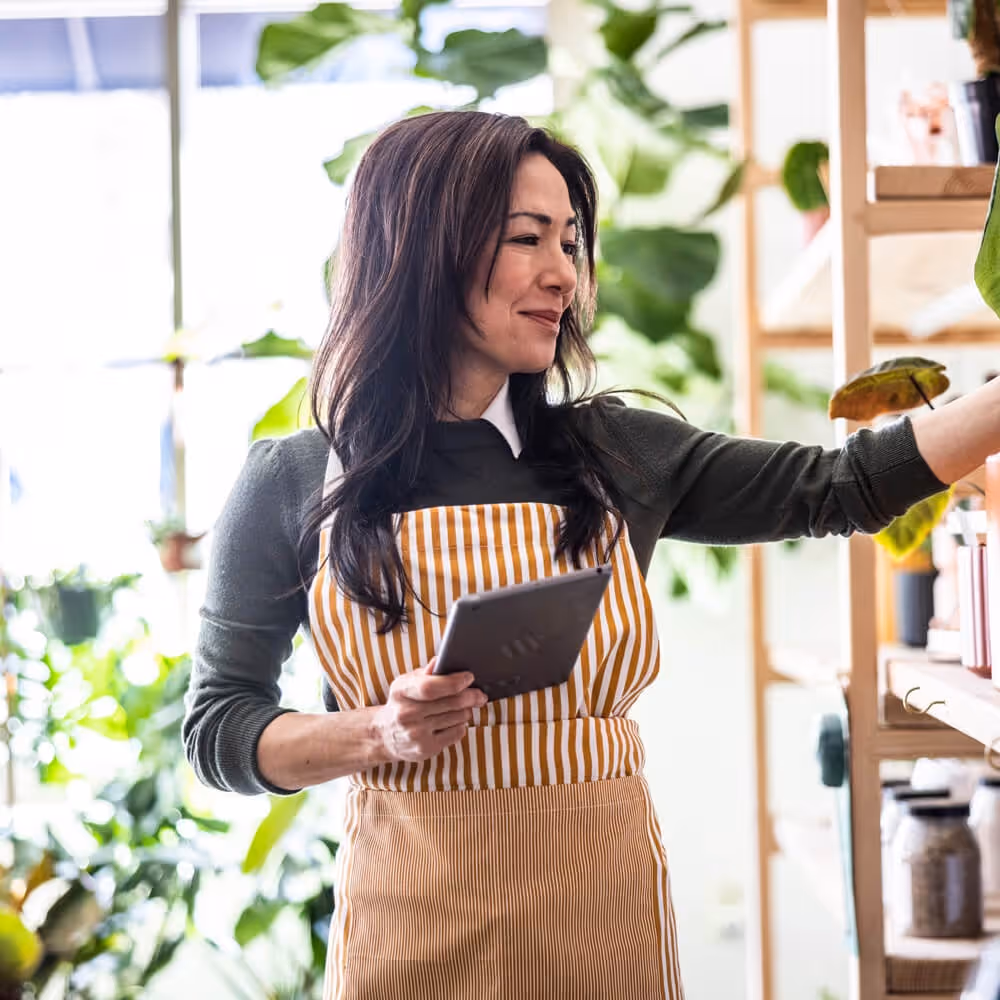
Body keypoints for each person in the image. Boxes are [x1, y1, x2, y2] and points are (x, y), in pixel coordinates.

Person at [182, 110, 998, 1000]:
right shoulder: (295, 479)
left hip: (603, 925)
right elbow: (219, 728)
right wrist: (376, 730)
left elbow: (841, 485)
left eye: (570, 242)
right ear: (421, 248)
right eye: (527, 238)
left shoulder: (615, 453)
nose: (563, 274)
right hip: (412, 929)